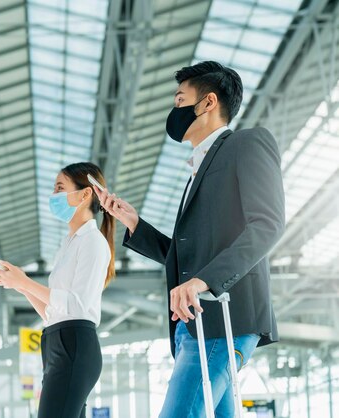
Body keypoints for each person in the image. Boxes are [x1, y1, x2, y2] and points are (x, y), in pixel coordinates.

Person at [94, 61, 285, 417]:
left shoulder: (247, 144)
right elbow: (185, 256)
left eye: (180, 99)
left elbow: (267, 225)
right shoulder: (197, 170)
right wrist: (133, 222)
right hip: (192, 324)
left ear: (208, 103)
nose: (175, 109)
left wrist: (203, 282)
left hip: (222, 316)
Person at [0, 162, 115, 418]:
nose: (53, 195)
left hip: (74, 345)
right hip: (59, 343)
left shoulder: (93, 243)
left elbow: (76, 305)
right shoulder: (68, 244)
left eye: (60, 187)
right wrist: (20, 284)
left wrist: (25, 283)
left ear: (85, 194)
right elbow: (53, 312)